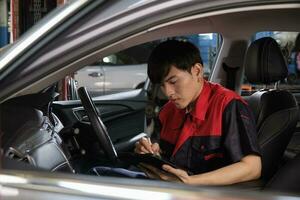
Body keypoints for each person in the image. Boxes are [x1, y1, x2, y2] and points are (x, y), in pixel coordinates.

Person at [135, 40, 261, 185]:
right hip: (164, 187)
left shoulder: (228, 105)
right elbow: (162, 153)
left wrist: (190, 182)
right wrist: (150, 153)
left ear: (197, 71)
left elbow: (252, 167)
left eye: (173, 81)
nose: (168, 93)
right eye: (162, 85)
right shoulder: (168, 111)